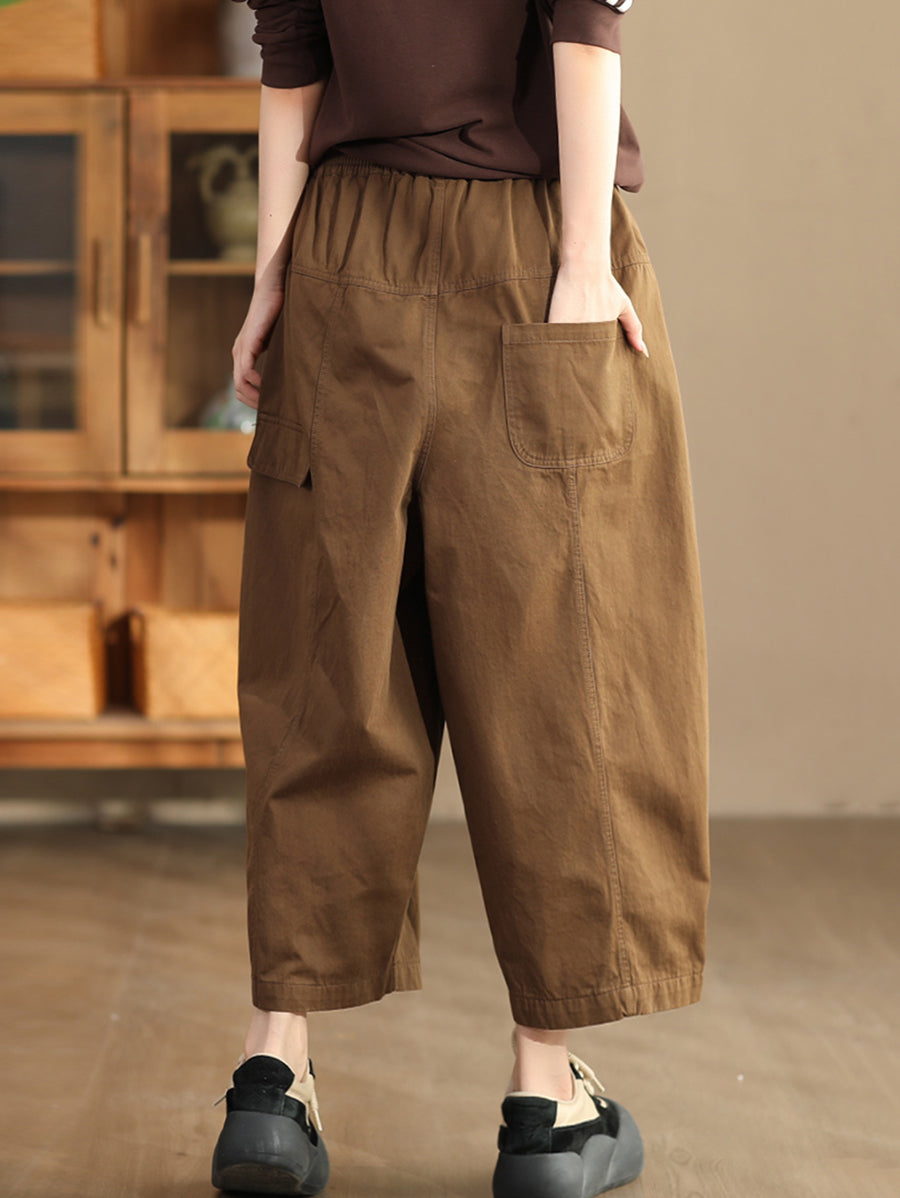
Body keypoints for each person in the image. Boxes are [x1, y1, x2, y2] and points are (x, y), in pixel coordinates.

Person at [211, 2, 711, 1196]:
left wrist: (274, 278)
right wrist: (583, 264)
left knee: (325, 665)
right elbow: (584, 29)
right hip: (529, 245)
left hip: (342, 248)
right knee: (564, 675)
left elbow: (293, 57)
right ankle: (546, 1100)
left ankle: (273, 1074)